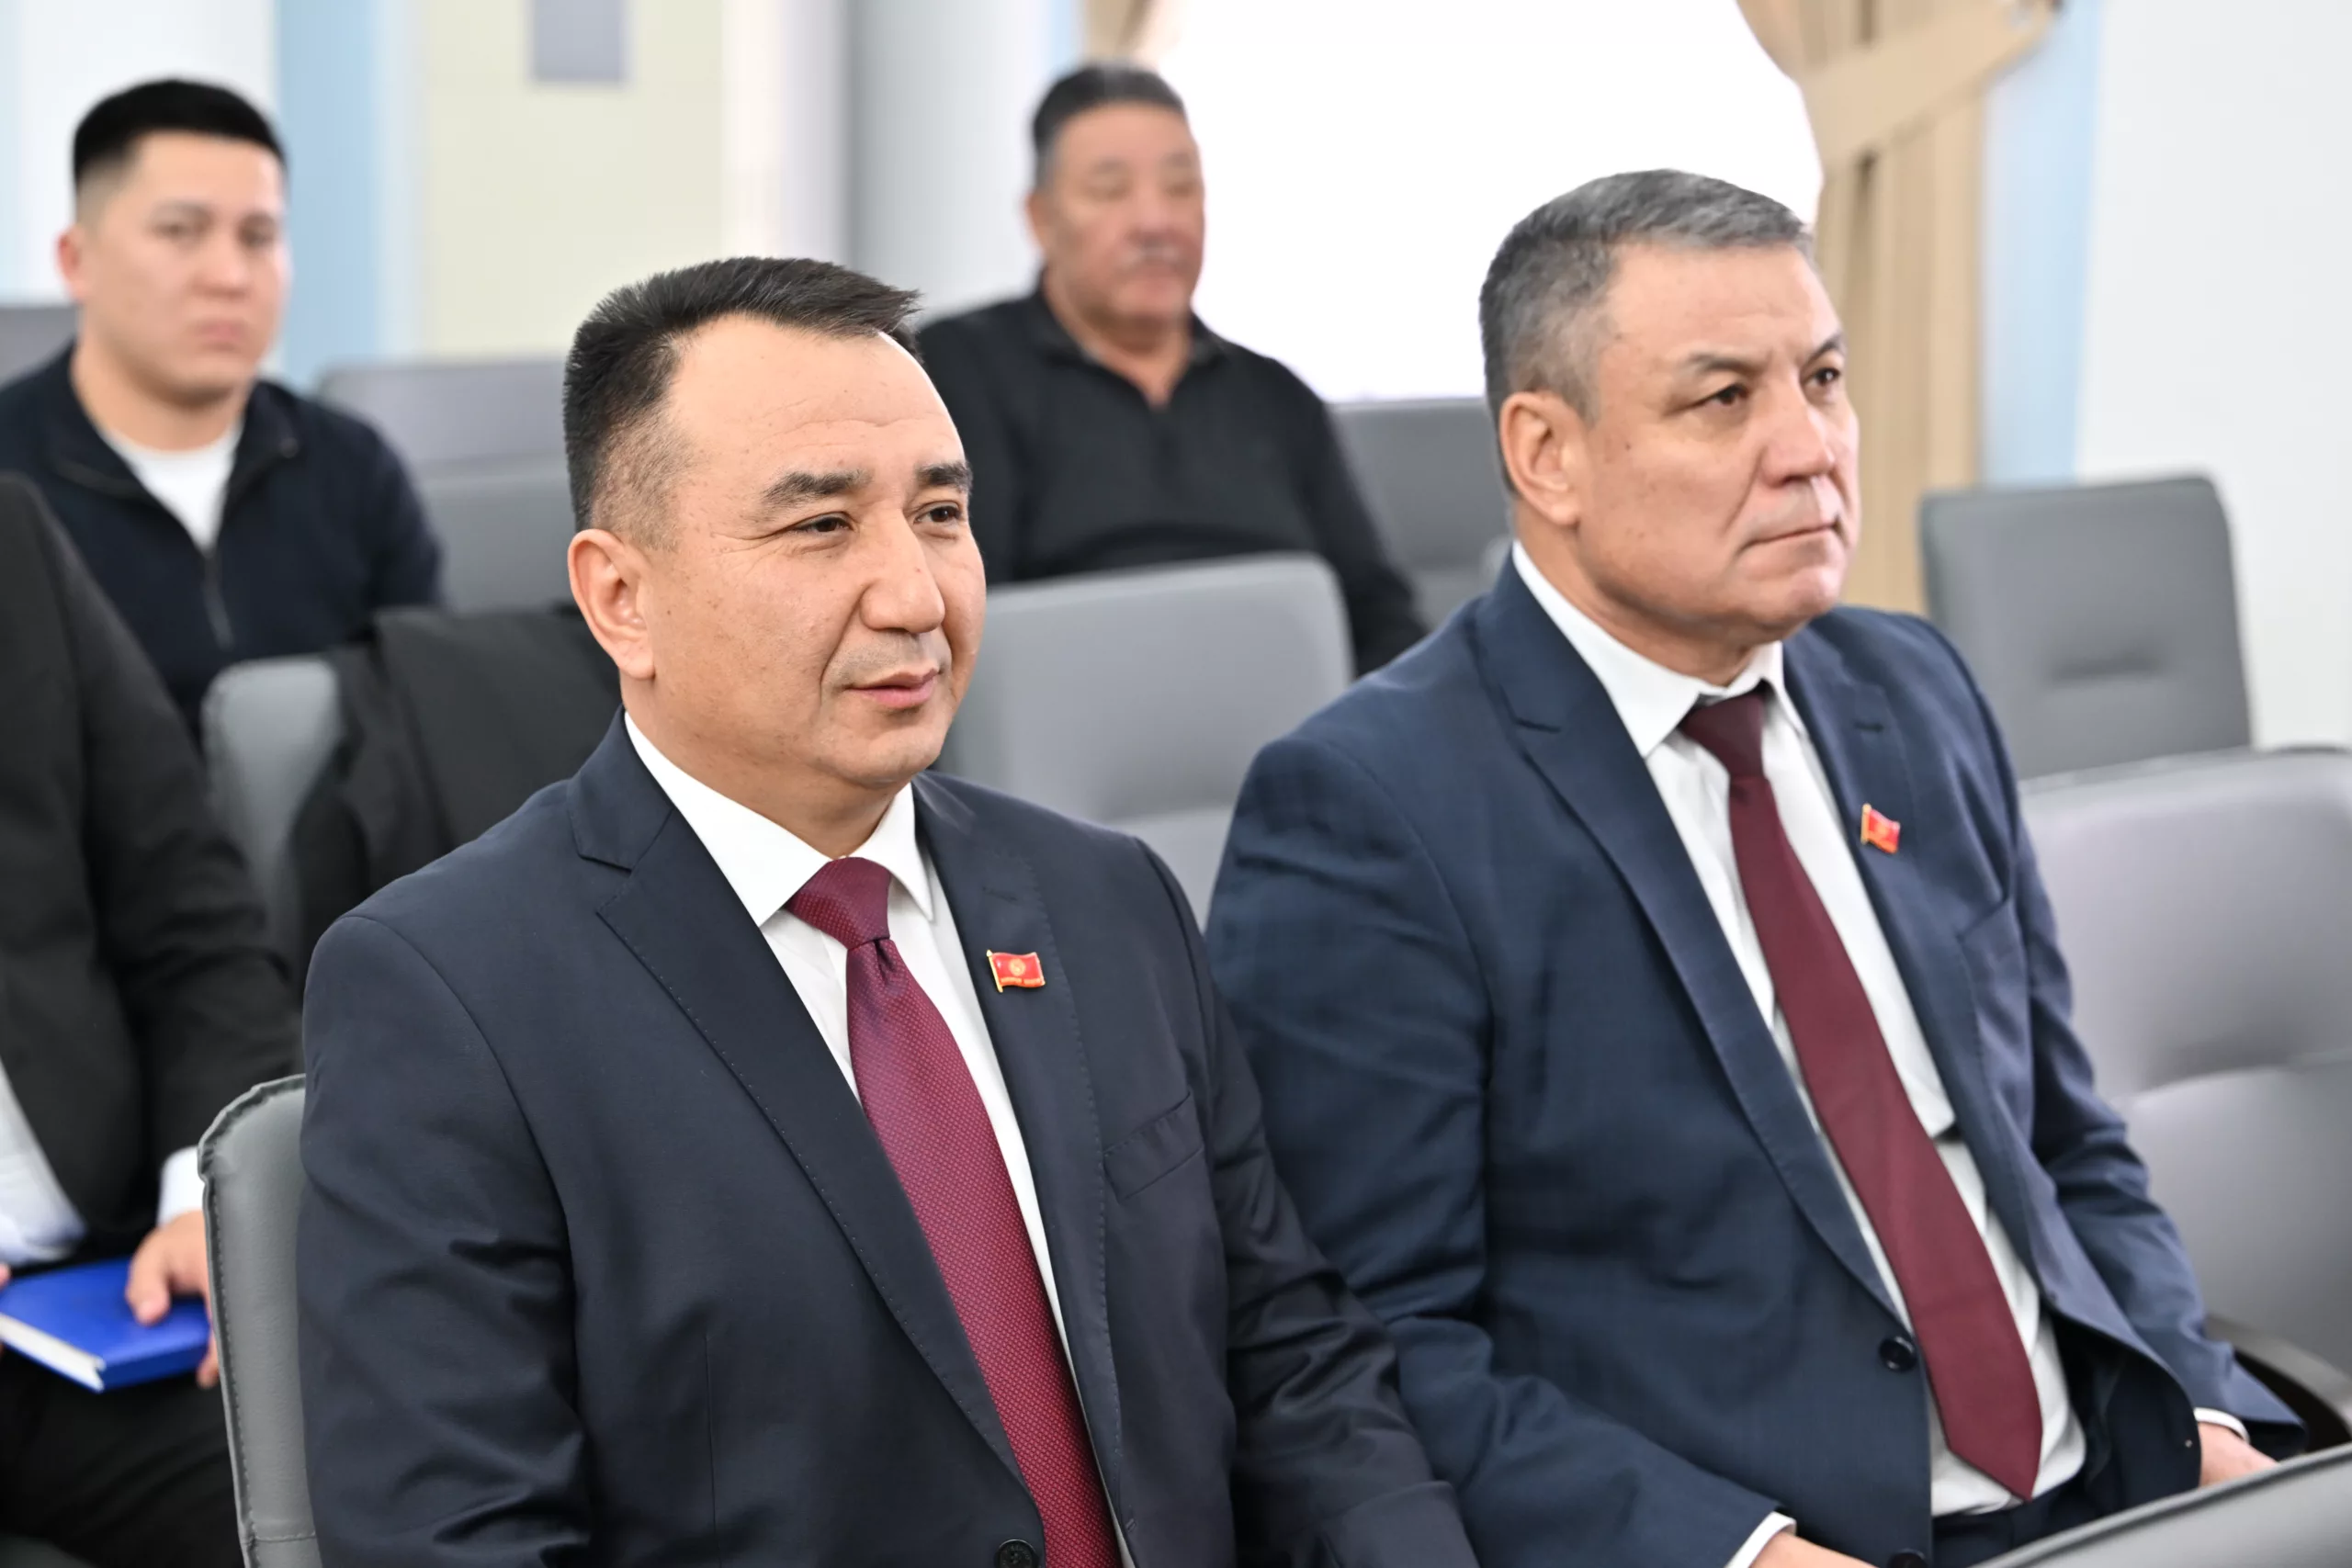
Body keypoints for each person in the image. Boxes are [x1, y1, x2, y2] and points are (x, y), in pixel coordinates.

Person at [296, 256, 1476, 1568]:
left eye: (939, 513)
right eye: (821, 525)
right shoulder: (451, 993)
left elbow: (1294, 1361)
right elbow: (460, 1537)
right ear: (622, 598)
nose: (916, 595)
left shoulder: (1106, 901)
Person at [1205, 171, 2300, 1568]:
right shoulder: (1372, 807)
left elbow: (2065, 1141)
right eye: (1724, 399)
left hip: (2122, 1492)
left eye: (1823, 379)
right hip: (1769, 1538)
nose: (1809, 448)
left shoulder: (1911, 690)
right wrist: (1747, 1553)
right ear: (1546, 453)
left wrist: (2198, 1413)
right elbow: (1375, 1343)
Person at [0, 474, 300, 1568]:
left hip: (102, 1289)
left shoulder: (12, 539)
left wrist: (206, 1200)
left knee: (357, 1511)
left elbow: (193, 921)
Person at [919, 64, 1424, 673]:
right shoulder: (955, 372)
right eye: (1111, 190)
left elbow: (1383, 616)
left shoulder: (1277, 396)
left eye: (1181, 187)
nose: (1155, 223)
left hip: (1292, 721)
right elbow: (953, 612)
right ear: (1041, 220)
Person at [0, 78, 440, 734]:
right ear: (77, 261)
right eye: (180, 231)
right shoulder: (12, 476)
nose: (230, 277)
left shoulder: (354, 467)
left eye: (259, 236)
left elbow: (429, 711)